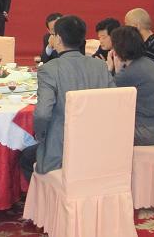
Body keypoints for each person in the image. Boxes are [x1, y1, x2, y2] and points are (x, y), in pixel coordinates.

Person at [20, 15, 115, 181]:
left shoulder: (49, 69)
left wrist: (41, 137)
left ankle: (47, 195)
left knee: (25, 157)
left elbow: (42, 114)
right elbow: (114, 102)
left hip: (62, 151)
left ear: (58, 39)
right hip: (97, 146)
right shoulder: (100, 66)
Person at [107, 26, 154, 145]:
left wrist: (110, 68)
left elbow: (107, 93)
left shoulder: (130, 72)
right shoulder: (148, 62)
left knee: (103, 132)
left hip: (149, 132)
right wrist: (119, 70)